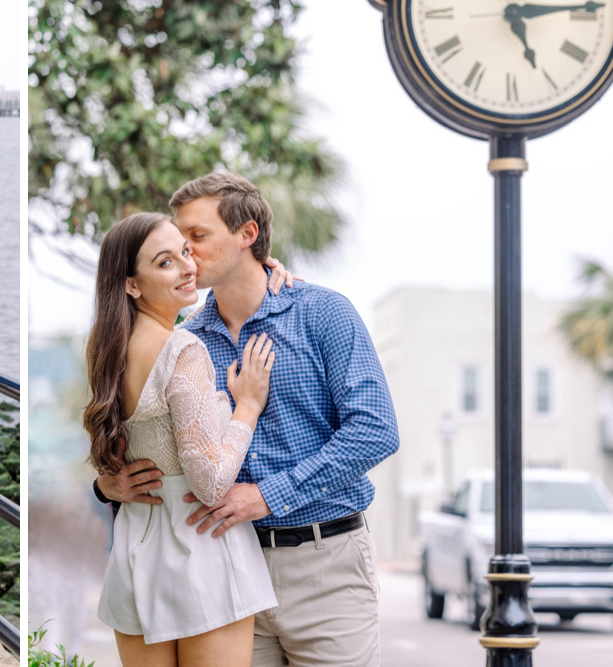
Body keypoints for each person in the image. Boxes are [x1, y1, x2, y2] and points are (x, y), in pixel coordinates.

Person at [97, 172, 399, 666]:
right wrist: (108, 485)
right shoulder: (185, 338)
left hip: (325, 565)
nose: (187, 254)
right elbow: (142, 431)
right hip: (225, 567)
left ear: (248, 235)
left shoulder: (323, 314)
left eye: (196, 237)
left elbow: (375, 431)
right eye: (178, 242)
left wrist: (266, 495)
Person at [86, 212, 278, 666]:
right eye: (166, 262)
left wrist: (270, 267)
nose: (188, 267)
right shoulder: (183, 349)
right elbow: (209, 483)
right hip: (200, 545)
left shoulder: (105, 346)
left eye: (186, 253)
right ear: (133, 284)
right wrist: (247, 407)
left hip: (137, 543)